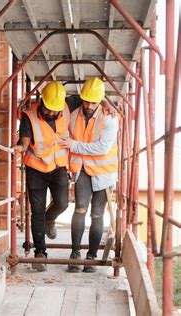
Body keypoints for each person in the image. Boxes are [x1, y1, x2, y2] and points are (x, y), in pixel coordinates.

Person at [57, 77, 119, 273]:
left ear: (101, 100)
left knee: (97, 213)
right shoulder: (74, 111)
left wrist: (73, 145)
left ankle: (91, 257)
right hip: (82, 168)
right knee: (81, 208)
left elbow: (102, 148)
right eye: (86, 101)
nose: (89, 105)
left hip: (103, 172)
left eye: (94, 102)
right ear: (81, 98)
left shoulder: (109, 118)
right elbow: (57, 102)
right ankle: (75, 254)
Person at [13, 81, 72, 271]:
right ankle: (40, 253)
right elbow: (25, 142)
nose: (52, 113)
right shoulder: (29, 116)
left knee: (62, 203)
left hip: (59, 167)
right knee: (36, 210)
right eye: (49, 109)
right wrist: (19, 148)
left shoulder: (67, 104)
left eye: (56, 110)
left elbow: (89, 102)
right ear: (42, 101)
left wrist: (104, 104)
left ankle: (50, 219)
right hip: (36, 168)